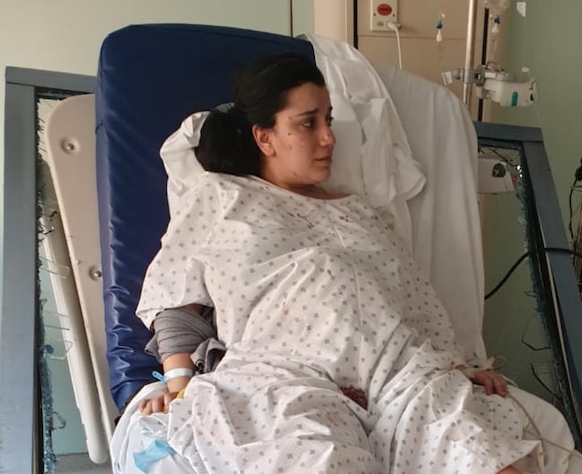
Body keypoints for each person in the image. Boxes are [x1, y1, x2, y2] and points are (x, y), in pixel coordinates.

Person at [133, 53, 539, 474]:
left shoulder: (360, 210)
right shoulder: (222, 197)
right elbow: (177, 297)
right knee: (321, 458)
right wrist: (178, 384)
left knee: (480, 456)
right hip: (287, 373)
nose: (329, 138)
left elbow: (417, 299)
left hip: (401, 369)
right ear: (264, 137)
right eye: (308, 123)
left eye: (328, 120)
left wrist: (459, 366)